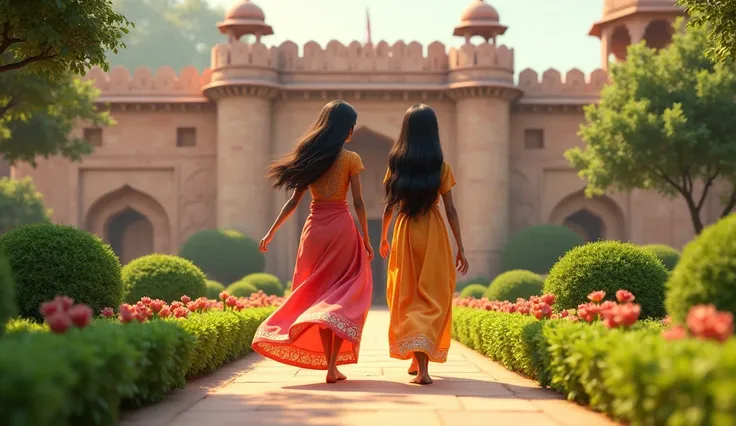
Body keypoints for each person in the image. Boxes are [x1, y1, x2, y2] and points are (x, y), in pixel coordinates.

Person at [252, 100, 373, 384]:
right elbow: (358, 202)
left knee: (317, 293)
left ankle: (329, 367)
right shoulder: (351, 159)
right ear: (347, 130)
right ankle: (332, 365)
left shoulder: (311, 156)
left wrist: (272, 231)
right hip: (341, 229)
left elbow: (293, 202)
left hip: (315, 230)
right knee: (340, 293)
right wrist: (367, 238)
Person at [379, 104, 469, 385]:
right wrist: (460, 246)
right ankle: (423, 367)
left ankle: (418, 363)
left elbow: (389, 206)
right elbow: (451, 209)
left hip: (405, 230)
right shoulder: (441, 167)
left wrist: (382, 236)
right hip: (433, 230)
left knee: (406, 295)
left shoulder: (396, 164)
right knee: (432, 295)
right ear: (433, 132)